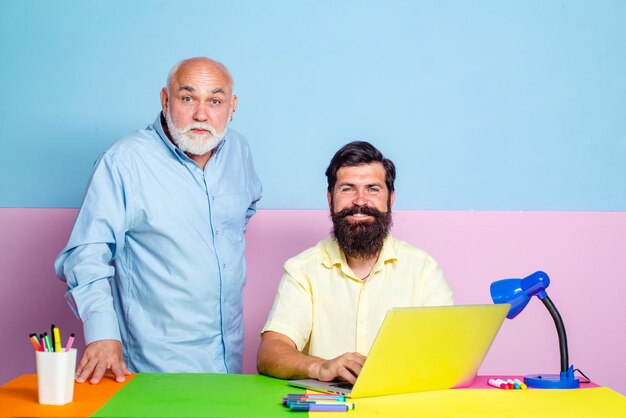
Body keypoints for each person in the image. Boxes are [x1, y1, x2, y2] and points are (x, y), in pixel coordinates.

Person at [55, 57, 262, 384]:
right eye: (188, 98)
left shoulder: (239, 150)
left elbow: (243, 212)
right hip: (156, 366)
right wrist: (102, 334)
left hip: (229, 364)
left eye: (215, 101)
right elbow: (85, 254)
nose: (201, 114)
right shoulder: (123, 161)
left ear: (231, 107)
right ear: (166, 100)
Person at [257, 141, 453, 384]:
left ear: (391, 199)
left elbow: (452, 353)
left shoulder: (423, 269)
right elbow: (270, 352)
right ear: (330, 198)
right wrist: (321, 367)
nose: (360, 201)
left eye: (373, 189)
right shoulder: (302, 270)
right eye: (348, 189)